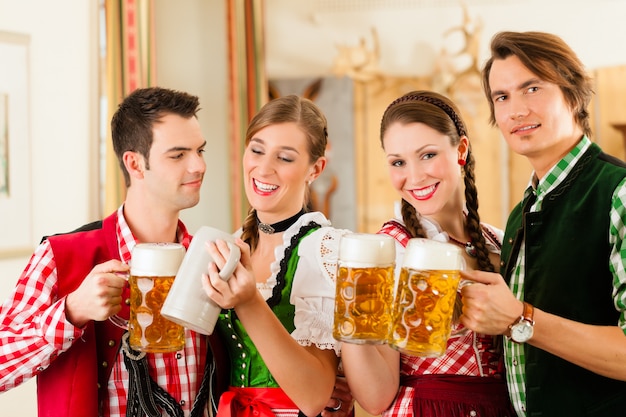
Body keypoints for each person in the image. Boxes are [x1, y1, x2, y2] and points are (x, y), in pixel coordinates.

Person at [0, 86, 225, 417]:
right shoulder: (59, 256)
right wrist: (72, 311)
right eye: (178, 155)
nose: (198, 166)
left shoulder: (209, 259)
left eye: (200, 151)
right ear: (134, 163)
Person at [459, 31, 626, 416]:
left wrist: (521, 318)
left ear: (573, 92)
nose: (516, 110)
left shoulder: (618, 192)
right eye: (502, 97)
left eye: (531, 88)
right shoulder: (522, 213)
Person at [341, 90, 514, 416]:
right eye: (398, 162)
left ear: (461, 150)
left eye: (428, 155)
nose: (415, 176)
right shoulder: (386, 252)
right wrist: (351, 313)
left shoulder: (496, 241)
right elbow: (376, 398)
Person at [200, 95, 352, 417]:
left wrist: (249, 301)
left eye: (284, 158)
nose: (264, 168)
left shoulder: (324, 250)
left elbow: (313, 397)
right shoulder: (230, 244)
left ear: (316, 169)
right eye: (256, 150)